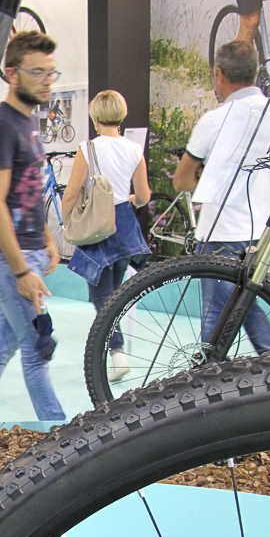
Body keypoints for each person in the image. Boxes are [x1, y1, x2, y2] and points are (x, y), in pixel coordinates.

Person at [0, 31, 65, 424]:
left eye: (50, 73)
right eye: (37, 73)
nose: (46, 81)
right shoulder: (1, 127)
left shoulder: (29, 121)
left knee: (3, 346)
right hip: (9, 257)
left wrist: (47, 240)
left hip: (28, 250)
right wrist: (21, 270)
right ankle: (62, 432)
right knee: (37, 348)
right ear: (11, 74)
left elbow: (31, 191)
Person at [172, 38, 270, 354]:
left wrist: (205, 175)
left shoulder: (215, 120)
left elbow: (182, 180)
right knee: (247, 304)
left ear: (219, 74)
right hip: (263, 235)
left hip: (221, 233)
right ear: (255, 72)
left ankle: (205, 380)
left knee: (215, 318)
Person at [62, 90, 151, 383]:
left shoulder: (88, 149)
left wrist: (66, 221)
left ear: (95, 118)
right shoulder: (134, 150)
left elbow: (71, 193)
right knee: (113, 293)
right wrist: (131, 199)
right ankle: (114, 352)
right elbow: (144, 196)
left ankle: (117, 354)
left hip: (97, 225)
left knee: (101, 296)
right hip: (124, 226)